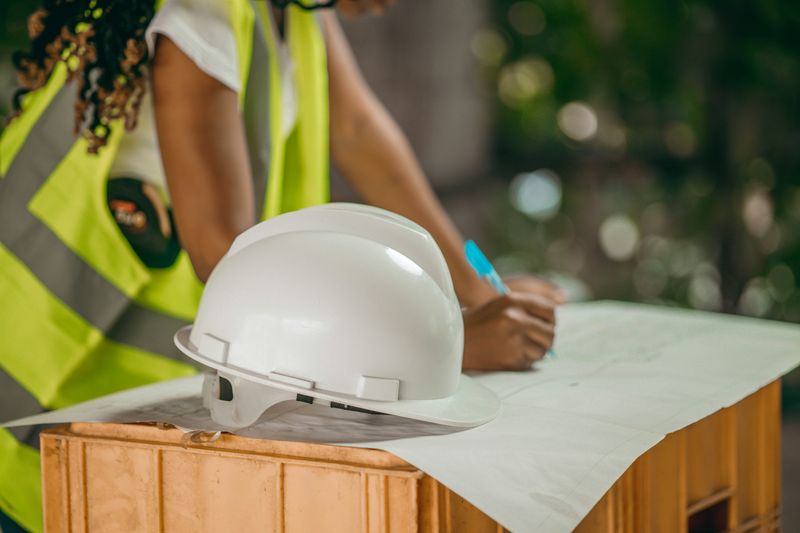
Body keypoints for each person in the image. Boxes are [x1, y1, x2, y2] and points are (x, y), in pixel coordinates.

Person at [0, 0, 564, 530]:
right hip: (38, 389)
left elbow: (360, 134)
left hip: (128, 392)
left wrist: (472, 295)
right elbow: (224, 257)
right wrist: (441, 348)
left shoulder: (295, 11)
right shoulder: (204, 12)